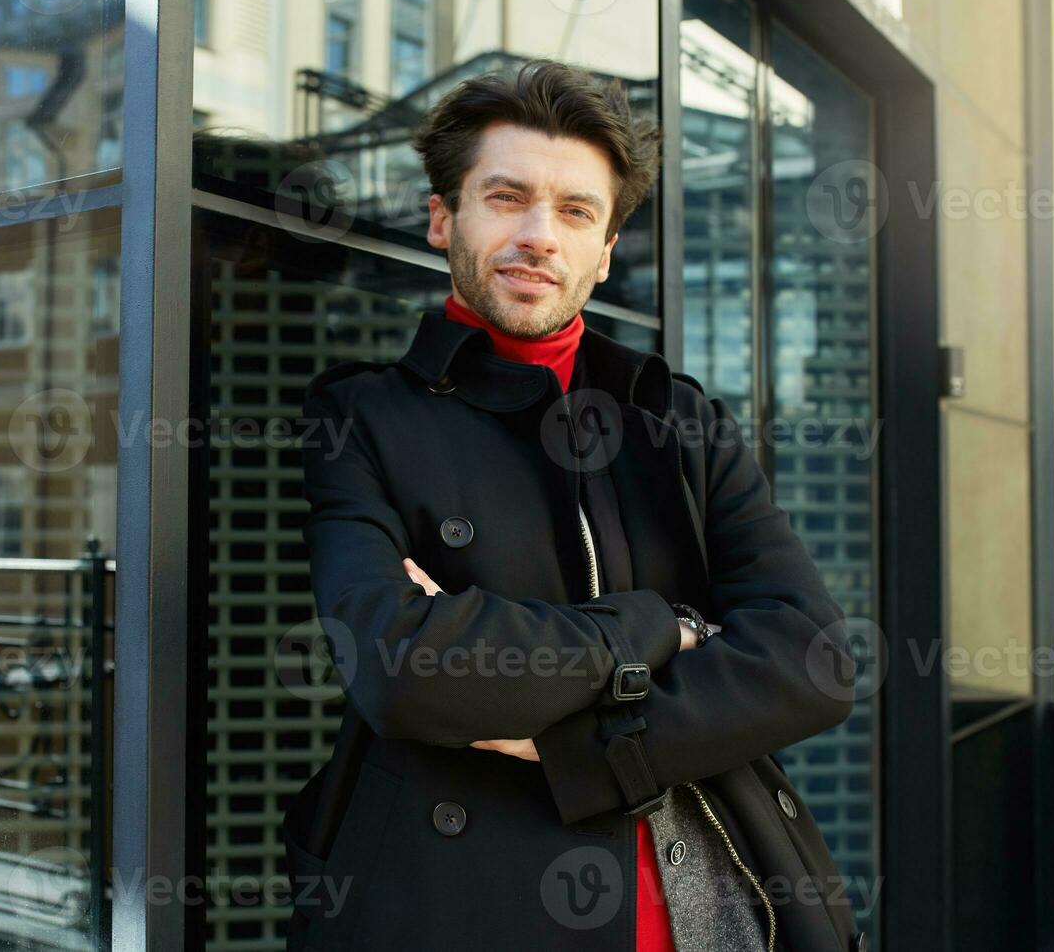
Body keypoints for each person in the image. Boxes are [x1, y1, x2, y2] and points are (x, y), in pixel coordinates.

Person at [283, 57, 867, 952]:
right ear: (446, 219)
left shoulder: (677, 418)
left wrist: (586, 749)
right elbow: (403, 671)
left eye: (575, 212)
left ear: (603, 255)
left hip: (707, 897)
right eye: (507, 197)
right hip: (457, 905)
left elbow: (812, 661)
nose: (539, 235)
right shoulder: (359, 418)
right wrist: (659, 627)